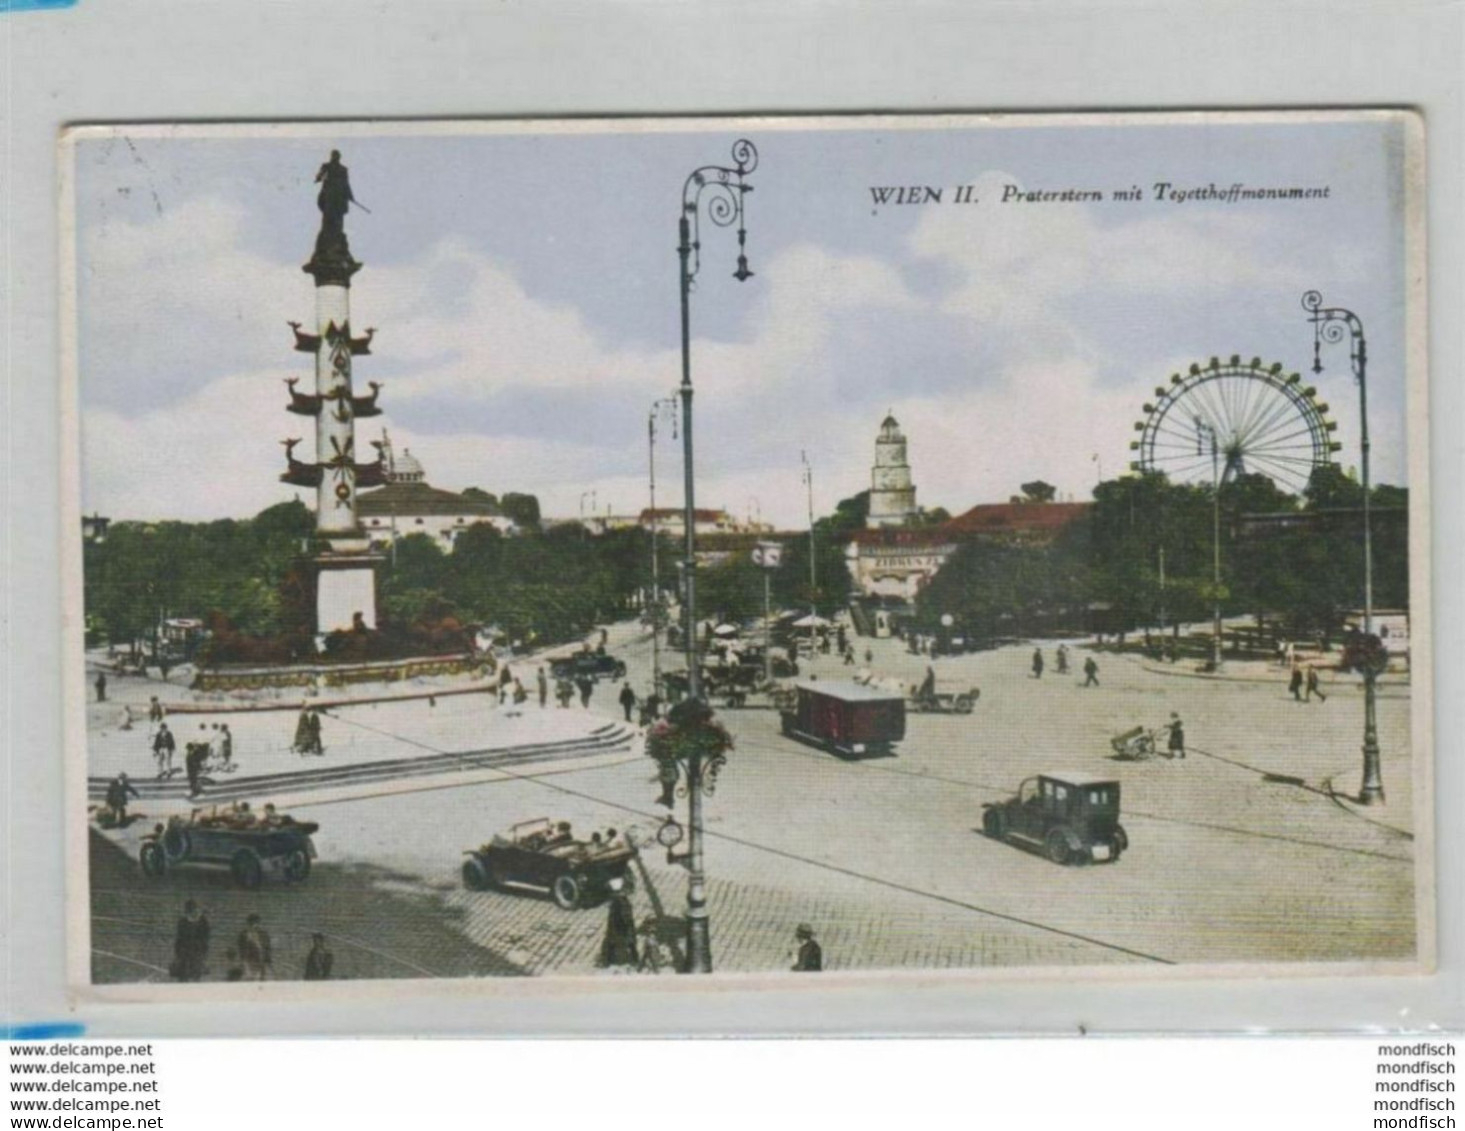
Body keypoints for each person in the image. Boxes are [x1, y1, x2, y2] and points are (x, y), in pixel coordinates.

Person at [599, 876, 638, 971]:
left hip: (617, 925)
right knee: (629, 942)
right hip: (622, 926)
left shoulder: (617, 903)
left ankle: (607, 961)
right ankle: (634, 959)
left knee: (612, 940)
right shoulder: (623, 902)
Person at [172, 900, 210, 982]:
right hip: (185, 951)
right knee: (183, 975)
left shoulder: (203, 921)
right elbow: (180, 938)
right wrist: (178, 954)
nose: (194, 913)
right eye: (191, 911)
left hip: (197, 951)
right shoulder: (182, 922)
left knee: (196, 973)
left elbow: (205, 938)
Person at [237, 914, 272, 982]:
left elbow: (267, 947)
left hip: (260, 959)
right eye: (252, 923)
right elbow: (241, 948)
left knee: (261, 978)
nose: (254, 925)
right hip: (249, 960)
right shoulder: (244, 934)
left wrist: (267, 960)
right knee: (249, 978)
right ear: (248, 924)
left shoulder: (263, 934)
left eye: (256, 923)